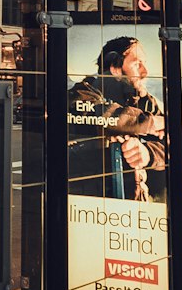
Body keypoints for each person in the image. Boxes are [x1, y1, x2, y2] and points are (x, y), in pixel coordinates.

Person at [67, 36, 166, 202]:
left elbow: (170, 147)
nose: (145, 72)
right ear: (115, 68)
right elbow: (98, 114)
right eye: (137, 64)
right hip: (88, 208)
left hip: (138, 207)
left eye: (144, 63)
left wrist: (148, 153)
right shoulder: (82, 95)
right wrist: (148, 123)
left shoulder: (145, 103)